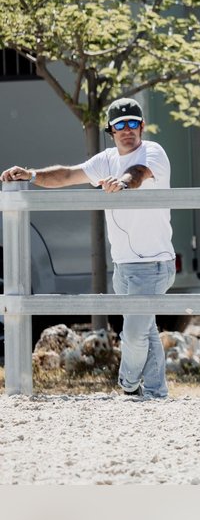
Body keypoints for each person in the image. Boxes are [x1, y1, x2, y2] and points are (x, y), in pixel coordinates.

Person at [1, 97, 175, 398]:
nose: (127, 130)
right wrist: (30, 175)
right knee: (145, 329)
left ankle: (128, 385)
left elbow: (138, 174)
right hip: (122, 265)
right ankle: (156, 393)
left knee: (133, 334)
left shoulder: (153, 152)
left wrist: (120, 183)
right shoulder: (105, 159)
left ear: (142, 126)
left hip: (155, 265)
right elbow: (68, 174)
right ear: (111, 130)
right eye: (120, 125)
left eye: (133, 123)